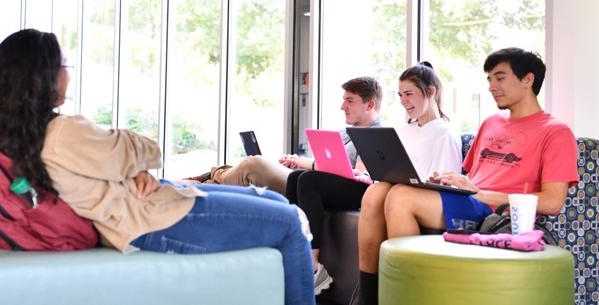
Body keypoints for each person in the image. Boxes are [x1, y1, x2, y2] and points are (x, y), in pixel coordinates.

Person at [0, 29, 315, 305]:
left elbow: (108, 162)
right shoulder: (64, 131)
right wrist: (131, 158)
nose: (69, 73)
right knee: (289, 221)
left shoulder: (16, 131)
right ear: (46, 76)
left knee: (277, 202)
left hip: (138, 206)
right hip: (150, 218)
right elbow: (148, 149)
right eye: (65, 65)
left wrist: (127, 166)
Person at [353, 48, 579, 305]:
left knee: (401, 197)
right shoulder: (491, 123)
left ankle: (410, 295)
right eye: (489, 79)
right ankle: (368, 298)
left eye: (500, 77)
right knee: (376, 191)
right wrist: (447, 180)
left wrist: (477, 192)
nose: (492, 86)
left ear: (528, 80)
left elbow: (552, 202)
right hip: (469, 200)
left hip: (496, 212)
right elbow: (472, 175)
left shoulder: (555, 132)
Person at [289, 62, 463, 295]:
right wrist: (367, 174)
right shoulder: (404, 130)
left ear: (430, 92)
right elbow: (387, 168)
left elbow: (447, 182)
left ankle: (333, 276)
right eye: (401, 95)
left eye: (409, 94)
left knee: (378, 192)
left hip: (416, 196)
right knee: (303, 178)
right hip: (383, 188)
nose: (403, 101)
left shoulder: (444, 133)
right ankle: (360, 289)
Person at [186, 76, 384, 196]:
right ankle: (206, 181)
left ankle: (212, 175)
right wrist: (298, 161)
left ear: (369, 105)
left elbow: (359, 178)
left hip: (314, 185)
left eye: (350, 101)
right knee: (252, 165)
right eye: (343, 100)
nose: (343, 107)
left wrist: (307, 165)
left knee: (254, 164)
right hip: (307, 177)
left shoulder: (375, 137)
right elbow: (323, 162)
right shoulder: (345, 132)